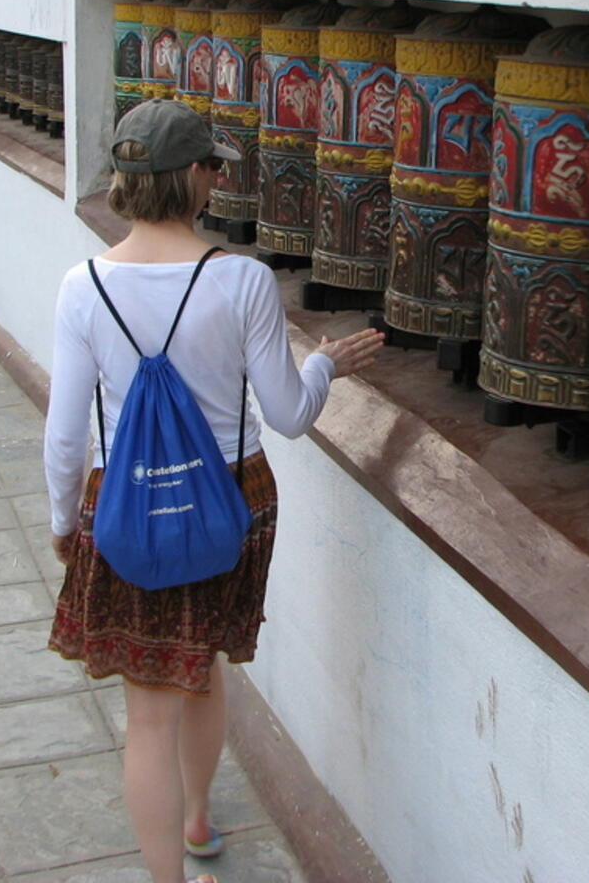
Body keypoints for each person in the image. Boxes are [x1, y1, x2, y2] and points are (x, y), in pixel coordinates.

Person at [43, 98, 383, 883]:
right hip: (232, 501)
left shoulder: (83, 285)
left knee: (147, 711)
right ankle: (197, 821)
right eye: (215, 165)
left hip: (124, 504)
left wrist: (66, 520)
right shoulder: (241, 280)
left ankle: (170, 873)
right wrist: (325, 363)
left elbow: (65, 435)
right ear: (194, 176)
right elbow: (291, 416)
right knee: (201, 667)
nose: (219, 177)